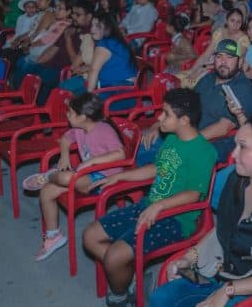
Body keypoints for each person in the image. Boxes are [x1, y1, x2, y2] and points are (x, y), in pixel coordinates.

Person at [149, 116, 252, 307]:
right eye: (236, 145)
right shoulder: (237, 181)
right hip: (227, 276)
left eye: (242, 146)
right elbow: (223, 228)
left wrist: (230, 290)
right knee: (161, 298)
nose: (234, 154)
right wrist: (190, 257)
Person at [82, 88, 217, 307]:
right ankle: (132, 278)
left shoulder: (203, 152)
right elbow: (156, 169)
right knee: (90, 236)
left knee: (114, 258)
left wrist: (160, 206)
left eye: (166, 114)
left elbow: (193, 195)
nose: (159, 117)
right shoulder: (172, 139)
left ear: (184, 120)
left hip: (176, 220)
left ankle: (120, 296)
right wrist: (121, 176)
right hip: (149, 206)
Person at [26, 93, 125, 261]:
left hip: (105, 179)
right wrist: (64, 155)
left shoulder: (104, 130)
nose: (67, 115)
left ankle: (49, 175)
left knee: (66, 178)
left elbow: (120, 154)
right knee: (47, 192)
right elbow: (65, 139)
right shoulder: (79, 129)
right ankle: (53, 236)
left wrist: (92, 161)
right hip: (87, 175)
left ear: (83, 117)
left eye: (71, 112)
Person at [59, 14, 137, 96]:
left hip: (116, 91)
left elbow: (94, 71)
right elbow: (112, 64)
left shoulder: (104, 44)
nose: (92, 29)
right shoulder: (116, 41)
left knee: (66, 93)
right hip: (125, 90)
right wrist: (89, 67)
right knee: (67, 91)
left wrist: (89, 97)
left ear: (107, 27)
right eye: (92, 25)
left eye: (97, 26)